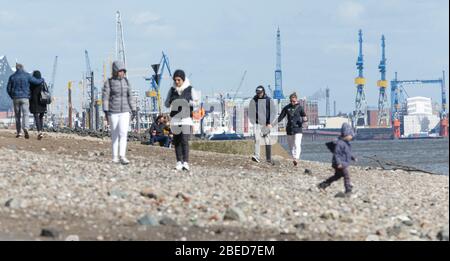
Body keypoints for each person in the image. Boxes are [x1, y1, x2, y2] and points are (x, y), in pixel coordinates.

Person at [102, 61, 137, 165]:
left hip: (125, 111)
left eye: (123, 71)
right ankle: (114, 157)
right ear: (115, 71)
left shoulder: (126, 82)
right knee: (114, 134)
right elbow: (105, 98)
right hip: (113, 112)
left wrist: (133, 109)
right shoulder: (108, 82)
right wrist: (106, 111)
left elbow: (130, 97)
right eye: (120, 70)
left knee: (123, 133)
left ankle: (122, 156)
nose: (122, 73)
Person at [164, 69, 194, 171]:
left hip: (186, 119)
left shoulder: (190, 89)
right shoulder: (172, 90)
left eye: (179, 80)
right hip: (175, 119)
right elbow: (166, 103)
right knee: (176, 141)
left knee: (184, 140)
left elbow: (197, 103)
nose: (177, 82)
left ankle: (185, 162)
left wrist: (187, 103)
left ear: (183, 79)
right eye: (175, 80)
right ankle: (178, 162)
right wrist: (173, 101)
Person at [318, 123, 357, 196]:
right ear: (346, 134)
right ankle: (348, 189)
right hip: (340, 163)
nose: (352, 137)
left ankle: (323, 185)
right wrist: (339, 163)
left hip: (342, 163)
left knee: (337, 176)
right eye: (351, 135)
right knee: (346, 175)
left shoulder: (346, 143)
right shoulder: (340, 143)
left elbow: (347, 153)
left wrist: (353, 157)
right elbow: (336, 154)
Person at [7, 63, 44, 139]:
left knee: (17, 115)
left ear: (16, 68)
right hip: (25, 98)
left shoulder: (12, 77)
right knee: (25, 114)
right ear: (23, 68)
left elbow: (8, 89)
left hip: (16, 98)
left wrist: (12, 96)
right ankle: (26, 128)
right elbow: (36, 81)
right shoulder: (27, 75)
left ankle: (19, 132)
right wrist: (42, 79)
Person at [278, 92, 307, 166]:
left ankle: (296, 158)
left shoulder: (300, 108)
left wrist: (304, 121)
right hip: (289, 129)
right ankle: (294, 157)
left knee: (297, 144)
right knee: (291, 145)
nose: (292, 102)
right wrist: (272, 124)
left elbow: (304, 116)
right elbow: (281, 117)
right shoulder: (286, 108)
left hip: (298, 128)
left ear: (296, 100)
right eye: (291, 101)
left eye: (294, 101)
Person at [249, 86, 277, 164]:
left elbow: (273, 112)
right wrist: (252, 120)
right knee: (257, 140)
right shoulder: (254, 100)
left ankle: (268, 158)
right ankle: (257, 156)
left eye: (260, 93)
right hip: (257, 123)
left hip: (266, 124)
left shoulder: (269, 100)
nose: (259, 94)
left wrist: (269, 123)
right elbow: (251, 111)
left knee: (267, 141)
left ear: (263, 92)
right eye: (257, 93)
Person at [29, 71, 48, 140]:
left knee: (36, 116)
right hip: (42, 101)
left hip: (34, 101)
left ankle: (39, 131)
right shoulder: (43, 82)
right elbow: (47, 91)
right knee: (41, 117)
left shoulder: (32, 83)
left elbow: (29, 92)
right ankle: (41, 131)